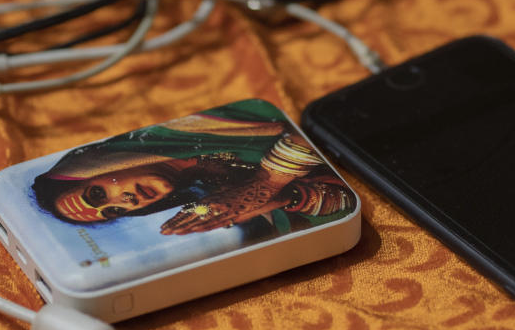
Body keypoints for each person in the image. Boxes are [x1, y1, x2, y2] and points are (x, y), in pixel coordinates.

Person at [31, 99, 355, 236]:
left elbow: (307, 135)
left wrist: (267, 183)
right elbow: (341, 203)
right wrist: (281, 198)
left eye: (98, 193)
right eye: (114, 211)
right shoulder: (212, 193)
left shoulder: (183, 132)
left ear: (95, 166)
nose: (125, 202)